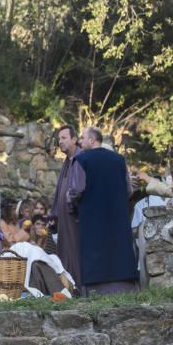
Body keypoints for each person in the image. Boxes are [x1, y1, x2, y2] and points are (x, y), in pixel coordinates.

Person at [67, 127, 139, 295]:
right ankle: (126, 288)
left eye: (83, 139)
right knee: (119, 248)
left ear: (92, 140)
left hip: (92, 217)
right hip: (117, 217)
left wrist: (71, 202)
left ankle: (95, 291)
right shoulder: (119, 160)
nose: (80, 142)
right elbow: (128, 190)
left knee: (94, 250)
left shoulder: (81, 160)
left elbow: (75, 191)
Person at [49, 124, 82, 291]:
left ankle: (78, 287)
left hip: (75, 216)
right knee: (65, 252)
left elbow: (78, 189)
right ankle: (70, 287)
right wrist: (54, 216)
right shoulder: (67, 162)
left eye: (64, 138)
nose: (60, 142)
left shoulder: (80, 159)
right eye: (59, 139)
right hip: (64, 217)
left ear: (74, 139)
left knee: (75, 252)